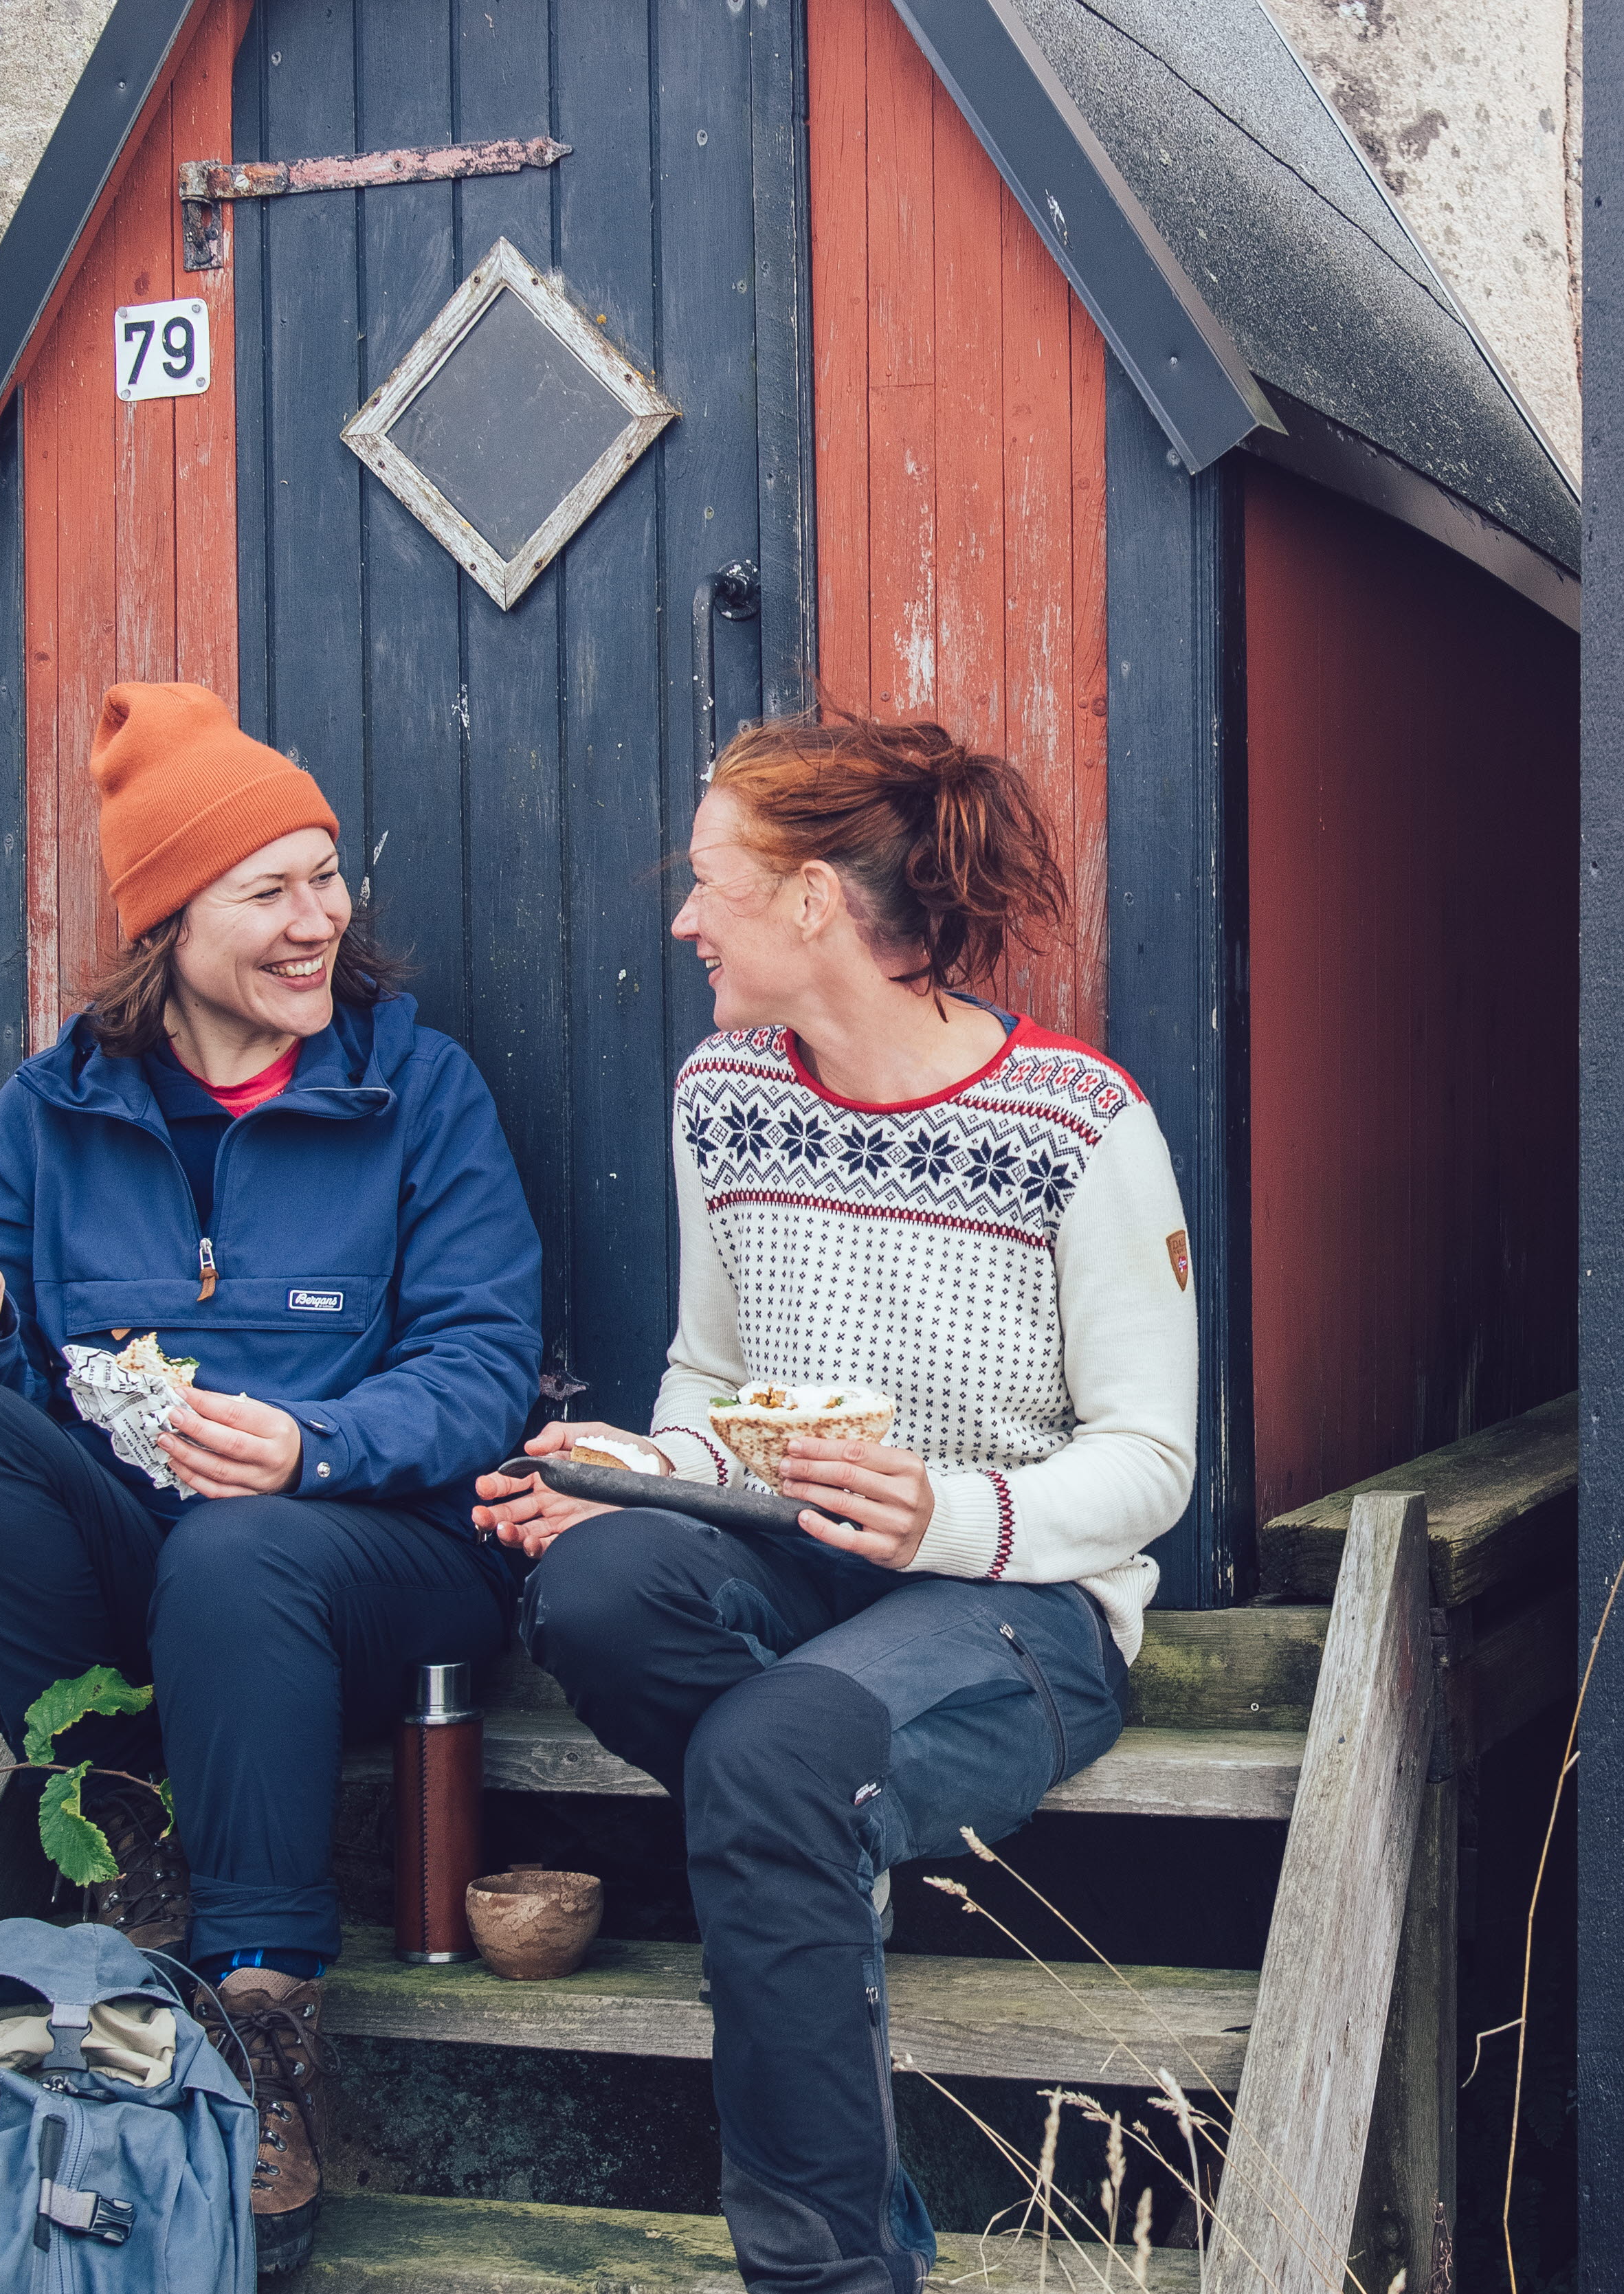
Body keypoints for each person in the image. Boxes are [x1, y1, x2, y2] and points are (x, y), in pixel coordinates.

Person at [472, 710, 1198, 2294]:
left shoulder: (1077, 1124)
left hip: (1025, 1613)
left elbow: (1151, 1464)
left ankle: (826, 2274)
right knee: (597, 1594)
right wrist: (616, 1478)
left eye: (709, 880)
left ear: (811, 903)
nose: (682, 917)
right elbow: (713, 1387)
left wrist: (938, 1510)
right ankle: (801, 1821)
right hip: (798, 1570)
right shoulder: (725, 1093)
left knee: (772, 1748)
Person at [0, 681, 541, 2275]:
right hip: (140, 1578)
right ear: (169, 920)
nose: (321, 920)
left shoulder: (413, 1090)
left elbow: (482, 1361)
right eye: (270, 891)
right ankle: (116, 1792)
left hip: (382, 1557)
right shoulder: (55, 1108)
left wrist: (318, 1445)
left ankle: (260, 2027)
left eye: (327, 877)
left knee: (244, 1553)